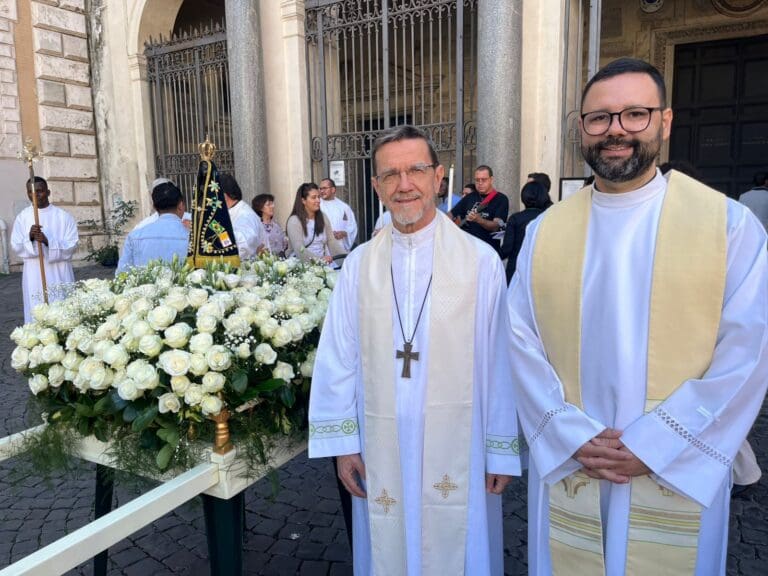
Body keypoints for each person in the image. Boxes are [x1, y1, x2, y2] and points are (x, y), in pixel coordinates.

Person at [504, 57, 768, 576]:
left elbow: (749, 351)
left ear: (664, 122)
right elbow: (518, 339)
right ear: (582, 128)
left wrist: (660, 443)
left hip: (673, 462)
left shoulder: (729, 226)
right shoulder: (545, 232)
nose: (615, 131)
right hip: (573, 458)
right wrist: (567, 432)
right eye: (599, 118)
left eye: (634, 114)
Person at [308, 125, 520, 575]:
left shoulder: (480, 262)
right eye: (391, 175)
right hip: (379, 444)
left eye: (416, 170)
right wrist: (344, 446)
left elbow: (500, 361)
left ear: (438, 177)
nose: (404, 185)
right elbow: (337, 358)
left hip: (462, 448)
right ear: (376, 186)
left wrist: (500, 449)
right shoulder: (359, 265)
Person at [11, 177, 79, 323]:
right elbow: (16, 245)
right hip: (34, 273)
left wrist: (48, 241)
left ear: (48, 192)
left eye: (40, 191)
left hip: (59, 272)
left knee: (63, 309)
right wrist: (29, 237)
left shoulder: (63, 217)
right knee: (37, 309)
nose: (35, 195)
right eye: (31, 192)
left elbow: (72, 245)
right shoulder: (23, 217)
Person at [116, 180, 189, 274]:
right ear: (181, 205)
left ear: (154, 206)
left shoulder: (135, 236)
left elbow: (122, 274)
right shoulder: (192, 236)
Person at [448, 165, 509, 255]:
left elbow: (496, 226)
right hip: (467, 250)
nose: (480, 183)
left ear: (491, 179)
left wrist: (479, 220)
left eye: (483, 180)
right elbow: (451, 214)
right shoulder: (469, 197)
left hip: (488, 251)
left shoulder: (501, 199)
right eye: (477, 180)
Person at [500, 180, 552, 284]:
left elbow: (507, 249)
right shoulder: (549, 217)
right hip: (540, 270)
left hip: (516, 269)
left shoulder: (515, 218)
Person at [286, 182, 346, 264]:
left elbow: (332, 241)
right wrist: (319, 260)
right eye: (314, 197)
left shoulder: (323, 217)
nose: (318, 200)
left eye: (318, 197)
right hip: (301, 268)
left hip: (321, 267)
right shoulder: (294, 221)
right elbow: (299, 248)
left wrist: (347, 261)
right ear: (303, 200)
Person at [219, 173, 264, 260]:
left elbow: (240, 248)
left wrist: (216, 228)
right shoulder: (229, 212)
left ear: (223, 196)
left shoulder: (245, 215)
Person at [319, 178, 358, 251]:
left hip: (340, 247)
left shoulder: (344, 207)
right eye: (320, 189)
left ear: (333, 189)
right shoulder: (317, 205)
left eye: (324, 188)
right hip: (323, 249)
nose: (322, 191)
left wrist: (344, 233)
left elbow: (352, 226)